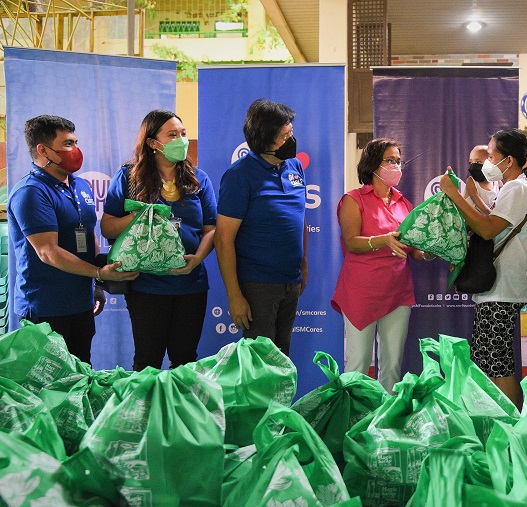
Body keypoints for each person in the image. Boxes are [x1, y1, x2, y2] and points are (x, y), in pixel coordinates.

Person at [8, 115, 139, 363]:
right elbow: (48, 251)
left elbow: (89, 236)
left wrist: (96, 286)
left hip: (80, 304)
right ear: (43, 150)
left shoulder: (80, 186)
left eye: (76, 142)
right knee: (50, 387)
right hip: (45, 308)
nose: (76, 150)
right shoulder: (31, 192)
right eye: (68, 143)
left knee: (80, 376)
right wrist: (99, 273)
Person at [101, 109, 217, 370]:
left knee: (186, 360)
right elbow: (107, 227)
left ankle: (180, 411)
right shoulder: (129, 178)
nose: (181, 140)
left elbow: (211, 228)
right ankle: (144, 411)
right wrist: (139, 216)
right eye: (172, 135)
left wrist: (196, 259)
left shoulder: (199, 179)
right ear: (153, 143)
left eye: (183, 134)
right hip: (147, 285)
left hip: (191, 285)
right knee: (147, 360)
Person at [440, 129, 527, 408]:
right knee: (488, 358)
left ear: (508, 160)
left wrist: (455, 195)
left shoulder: (518, 187)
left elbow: (486, 230)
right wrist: (472, 195)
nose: (486, 161)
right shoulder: (510, 188)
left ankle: (510, 424)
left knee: (498, 361)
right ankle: (496, 418)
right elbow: (493, 222)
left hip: (504, 287)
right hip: (497, 287)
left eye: (491, 155)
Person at [330, 138, 434, 393]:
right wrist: (383, 240)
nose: (396, 166)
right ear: (373, 163)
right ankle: (352, 421)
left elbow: (413, 252)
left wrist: (433, 250)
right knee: (357, 364)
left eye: (399, 161)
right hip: (361, 292)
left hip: (398, 291)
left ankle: (385, 424)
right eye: (390, 160)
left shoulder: (405, 204)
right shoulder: (353, 200)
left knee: (392, 366)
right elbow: (352, 242)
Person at [214, 99, 307, 357]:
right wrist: (235, 296)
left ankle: (280, 401)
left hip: (291, 280)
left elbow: (300, 218)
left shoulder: (295, 166)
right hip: (258, 285)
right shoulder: (239, 176)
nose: (291, 139)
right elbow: (223, 239)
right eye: (284, 136)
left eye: (291, 132)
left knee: (282, 359)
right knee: (260, 365)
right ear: (264, 139)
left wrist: (303, 265)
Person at [464, 144, 500, 215]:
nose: (473, 166)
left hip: (487, 221)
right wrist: (492, 217)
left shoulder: (496, 181)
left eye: (478, 162)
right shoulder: (471, 181)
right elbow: (478, 202)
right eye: (471, 162)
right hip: (470, 222)